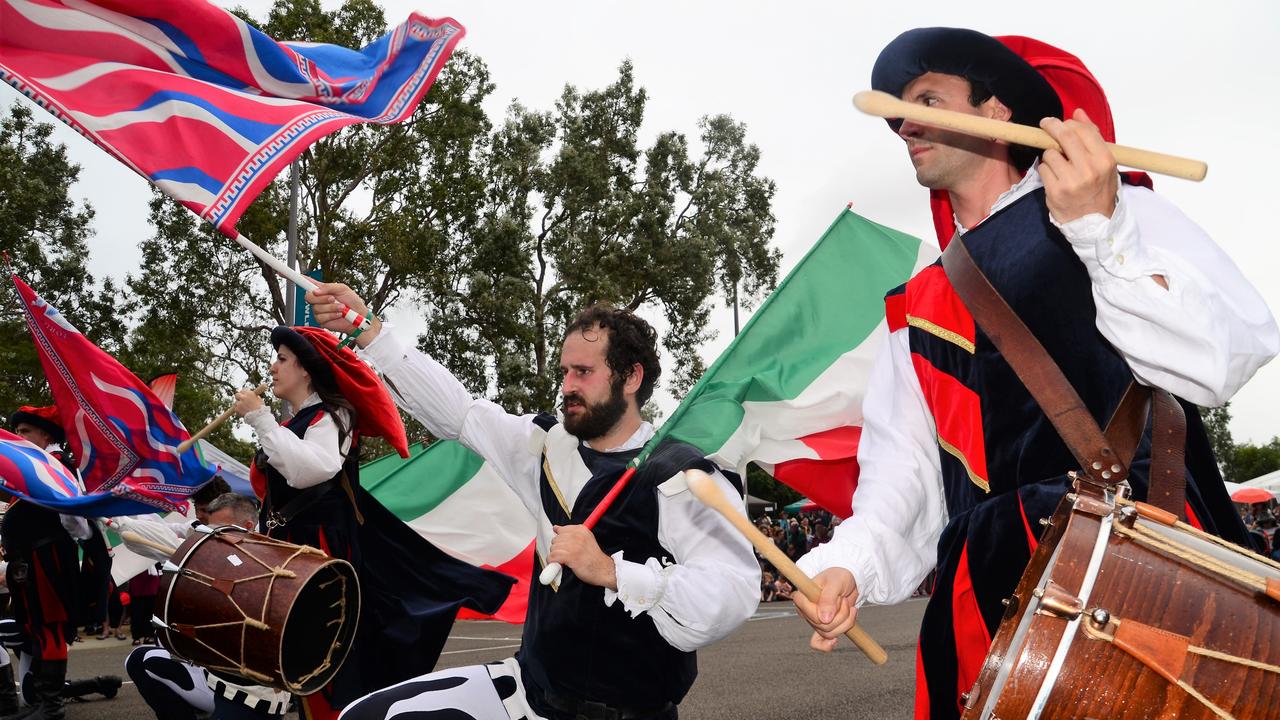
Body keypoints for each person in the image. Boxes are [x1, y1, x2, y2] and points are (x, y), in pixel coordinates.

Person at [791, 28, 1279, 719]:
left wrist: (1101, 231)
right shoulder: (918, 303)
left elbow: (1227, 354)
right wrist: (847, 566)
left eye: (928, 98)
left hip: (1134, 551)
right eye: (900, 108)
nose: (904, 120)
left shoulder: (1111, 207)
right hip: (985, 585)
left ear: (994, 115)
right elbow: (904, 479)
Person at [302, 289, 760, 720]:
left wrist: (613, 572)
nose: (568, 386)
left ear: (632, 377)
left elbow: (734, 590)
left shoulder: (682, 474)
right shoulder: (545, 444)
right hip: (528, 695)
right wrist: (369, 330)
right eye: (565, 372)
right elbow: (461, 414)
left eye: (584, 372)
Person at [232, 325, 513, 719]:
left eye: (282, 359)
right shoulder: (294, 423)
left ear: (307, 370)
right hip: (290, 547)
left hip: (319, 551)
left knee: (320, 656)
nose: (273, 368)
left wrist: (261, 421)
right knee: (290, 654)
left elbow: (312, 469)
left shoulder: (333, 415)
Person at [126, 493, 291, 720]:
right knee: (139, 660)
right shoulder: (211, 552)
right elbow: (168, 533)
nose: (214, 537)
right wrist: (115, 521)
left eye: (221, 529)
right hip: (214, 677)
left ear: (249, 526)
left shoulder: (266, 568)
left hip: (251, 692)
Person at [2, 405, 94, 720]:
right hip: (30, 559)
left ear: (45, 434)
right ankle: (43, 702)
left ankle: (52, 707)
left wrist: (58, 544)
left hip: (47, 557)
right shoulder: (33, 466)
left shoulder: (55, 465)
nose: (19, 437)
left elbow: (74, 517)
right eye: (18, 432)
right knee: (37, 628)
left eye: (25, 431)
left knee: (51, 629)